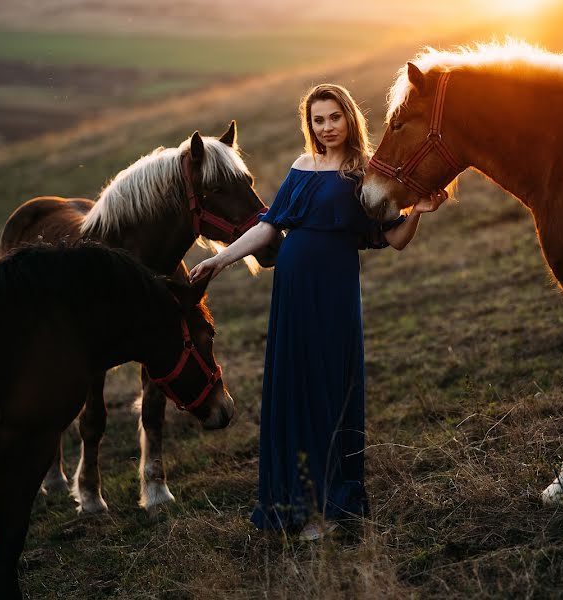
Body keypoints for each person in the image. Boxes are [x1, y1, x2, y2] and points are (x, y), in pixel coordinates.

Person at [189, 84, 443, 540]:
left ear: (350, 119)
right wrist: (220, 259)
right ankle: (292, 504)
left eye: (334, 118)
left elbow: (394, 239)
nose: (326, 128)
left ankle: (330, 508)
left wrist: (419, 211)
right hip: (292, 291)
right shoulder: (301, 167)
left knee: (331, 385)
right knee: (294, 387)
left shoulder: (363, 174)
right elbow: (269, 227)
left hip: (334, 290)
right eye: (318, 120)